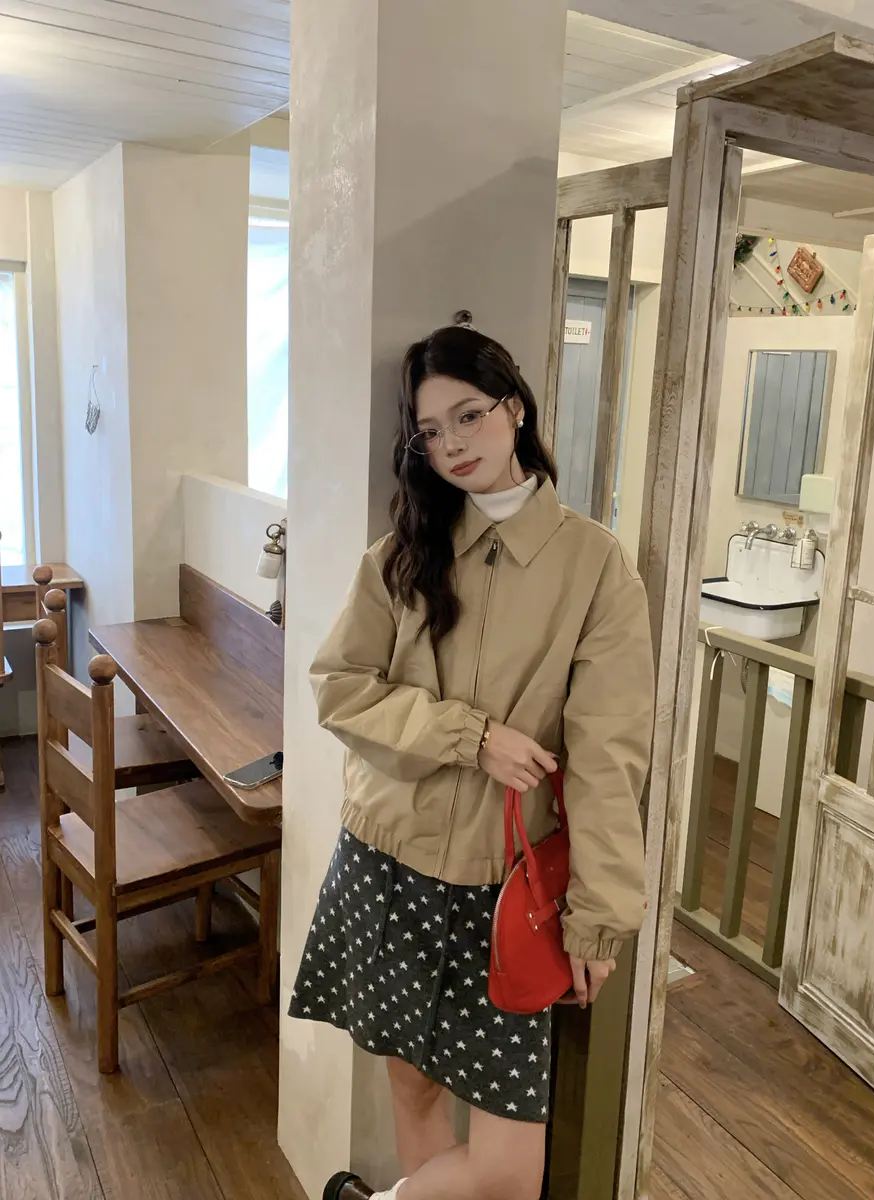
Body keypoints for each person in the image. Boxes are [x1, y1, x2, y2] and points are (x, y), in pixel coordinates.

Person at [289, 325, 655, 1200]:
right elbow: (339, 688)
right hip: (387, 869)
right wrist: (468, 736)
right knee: (415, 1098)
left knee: (507, 1173)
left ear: (514, 408)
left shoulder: (596, 567)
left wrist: (599, 918)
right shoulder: (402, 554)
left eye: (469, 415)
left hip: (505, 896)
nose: (451, 443)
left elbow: (609, 757)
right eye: (430, 430)